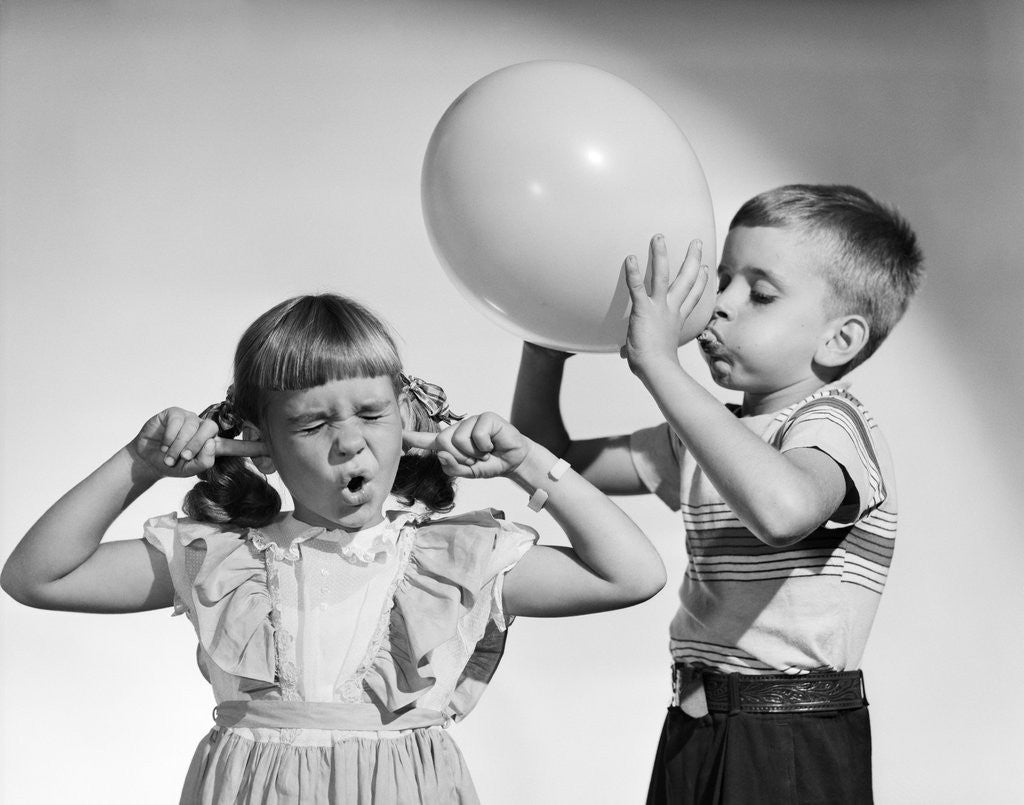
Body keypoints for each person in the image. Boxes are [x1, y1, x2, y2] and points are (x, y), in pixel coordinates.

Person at [1, 293, 667, 805]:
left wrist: (533, 463)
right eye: (314, 422)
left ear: (407, 420)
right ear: (258, 438)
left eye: (371, 414)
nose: (349, 442)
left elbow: (632, 574)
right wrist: (140, 462)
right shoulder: (223, 558)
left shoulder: (451, 558)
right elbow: (36, 576)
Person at [511, 184, 924, 804]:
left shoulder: (832, 424)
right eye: (721, 280)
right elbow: (557, 460)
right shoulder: (709, 433)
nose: (719, 306)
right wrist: (544, 346)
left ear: (840, 339)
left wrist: (660, 367)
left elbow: (782, 511)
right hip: (695, 726)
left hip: (787, 736)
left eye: (759, 294)